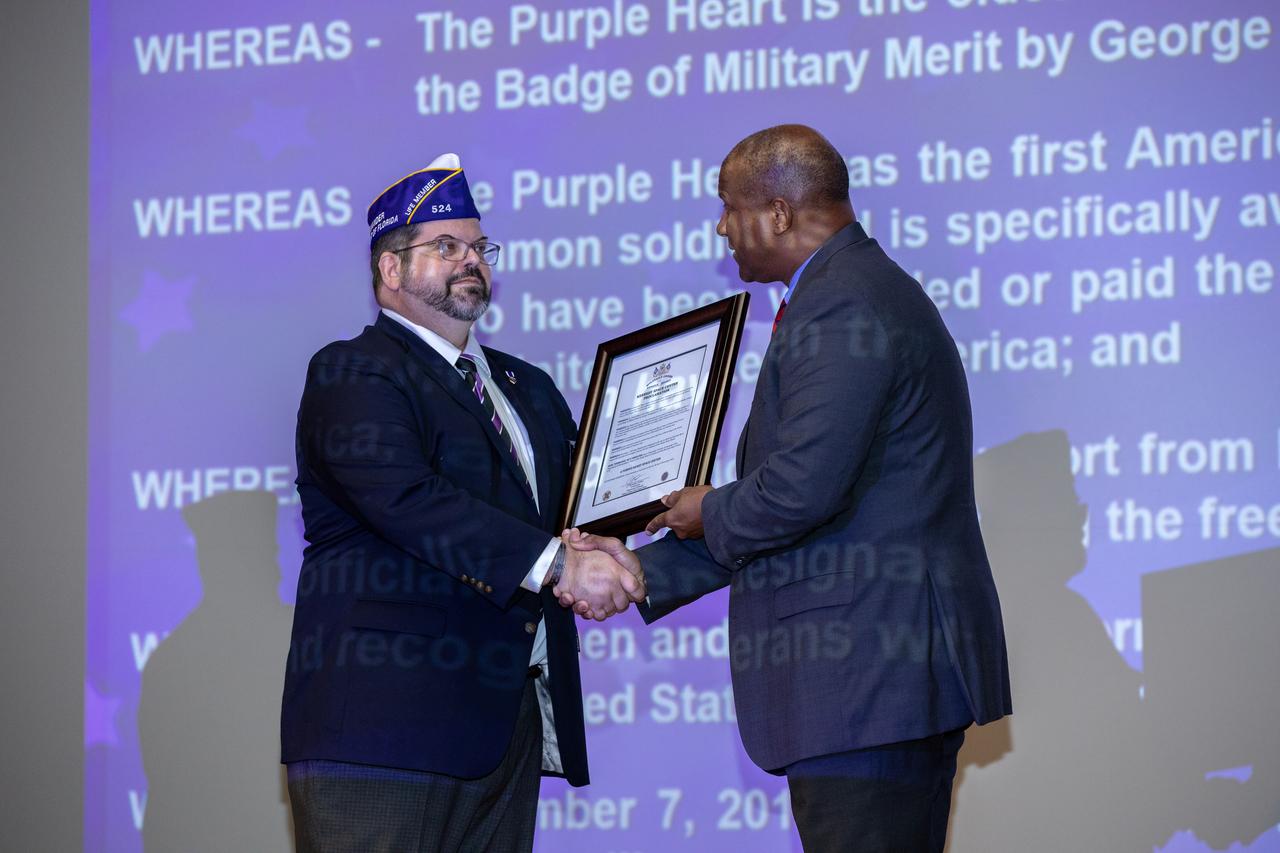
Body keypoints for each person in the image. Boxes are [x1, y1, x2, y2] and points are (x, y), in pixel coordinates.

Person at [566, 125, 1011, 852]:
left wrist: (705, 505)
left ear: (776, 212)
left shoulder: (843, 303)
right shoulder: (846, 291)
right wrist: (642, 571)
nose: (720, 226)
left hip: (869, 682)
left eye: (728, 206)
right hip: (873, 686)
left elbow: (799, 491)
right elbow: (809, 504)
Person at [280, 153, 644, 853]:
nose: (470, 260)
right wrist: (562, 567)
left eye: (478, 247)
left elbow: (577, 511)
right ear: (390, 270)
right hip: (383, 736)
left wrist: (647, 511)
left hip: (502, 731)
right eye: (445, 246)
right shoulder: (355, 370)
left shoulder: (526, 386)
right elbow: (408, 499)